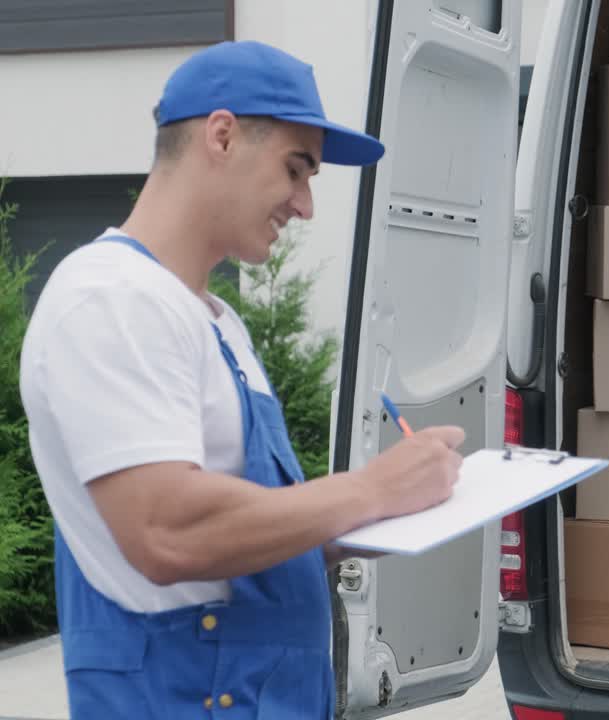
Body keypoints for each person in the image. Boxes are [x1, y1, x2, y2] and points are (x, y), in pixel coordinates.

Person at [19, 41, 464, 719]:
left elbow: (235, 535)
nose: (306, 204)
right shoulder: (111, 298)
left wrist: (372, 517)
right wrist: (369, 489)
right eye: (296, 169)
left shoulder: (214, 320)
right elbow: (167, 531)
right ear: (221, 136)